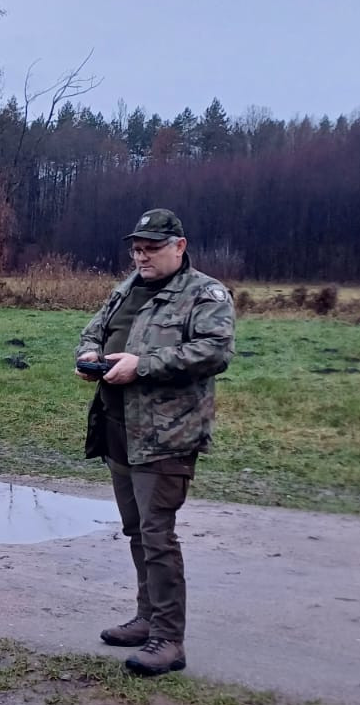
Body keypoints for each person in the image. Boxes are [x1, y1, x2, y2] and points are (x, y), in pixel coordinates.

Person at [75, 208, 235, 676]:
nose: (141, 256)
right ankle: (146, 620)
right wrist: (89, 355)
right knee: (136, 529)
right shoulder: (127, 287)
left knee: (157, 534)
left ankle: (169, 639)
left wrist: (140, 365)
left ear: (179, 247)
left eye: (151, 248)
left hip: (166, 434)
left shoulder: (205, 293)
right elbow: (93, 328)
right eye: (136, 249)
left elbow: (214, 350)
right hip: (118, 425)